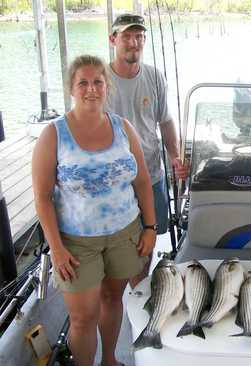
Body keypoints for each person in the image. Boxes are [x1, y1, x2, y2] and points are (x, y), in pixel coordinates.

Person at [32, 55, 156, 366]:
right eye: (83, 83)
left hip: (124, 232)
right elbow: (43, 198)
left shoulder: (123, 127)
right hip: (75, 242)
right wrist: (56, 249)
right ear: (71, 89)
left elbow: (142, 181)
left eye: (97, 82)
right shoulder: (53, 135)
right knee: (83, 318)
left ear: (107, 86)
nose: (91, 89)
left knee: (113, 299)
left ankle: (110, 360)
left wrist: (151, 228)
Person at [106, 14, 189, 287]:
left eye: (139, 36)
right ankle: (119, 293)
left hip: (152, 175)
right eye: (127, 36)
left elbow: (165, 122)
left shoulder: (154, 76)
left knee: (147, 242)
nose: (134, 43)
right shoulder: (100, 81)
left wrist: (175, 156)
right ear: (113, 39)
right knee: (115, 249)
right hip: (114, 184)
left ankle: (139, 291)